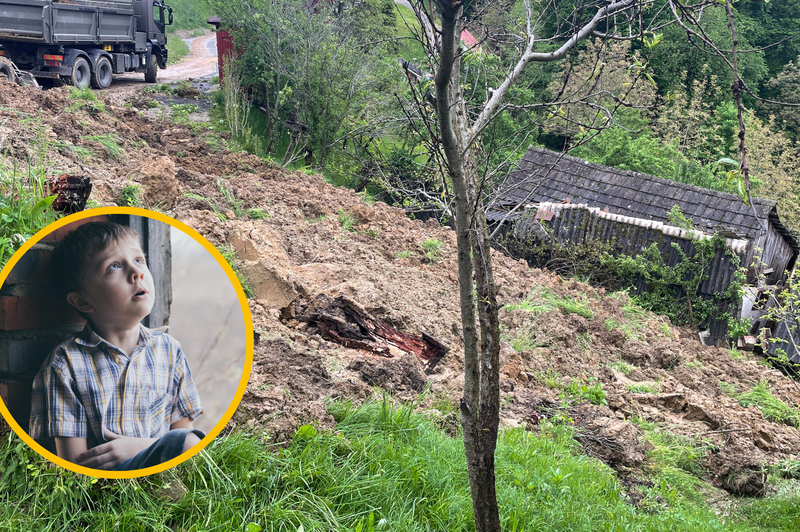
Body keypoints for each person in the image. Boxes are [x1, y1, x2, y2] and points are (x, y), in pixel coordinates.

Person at [28, 221, 204, 471]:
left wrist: (141, 447)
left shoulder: (169, 350)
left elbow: (187, 450)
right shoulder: (65, 365)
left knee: (189, 440)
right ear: (82, 300)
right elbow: (72, 468)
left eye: (139, 260)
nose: (136, 273)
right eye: (114, 266)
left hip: (165, 481)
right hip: (107, 488)